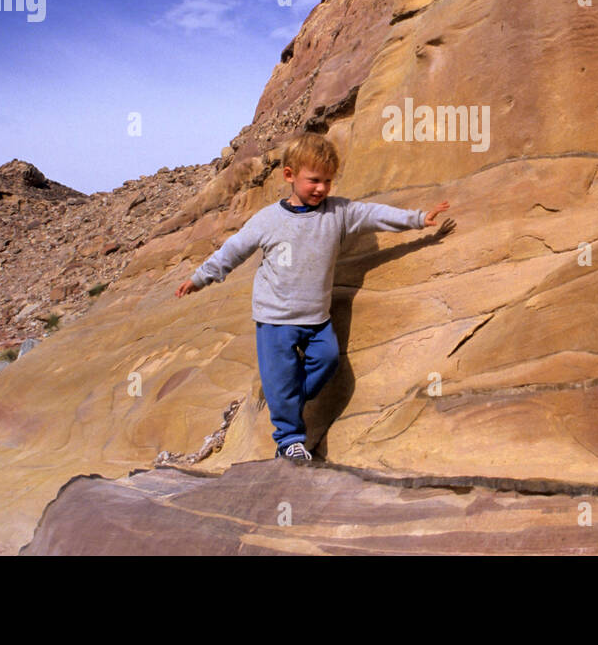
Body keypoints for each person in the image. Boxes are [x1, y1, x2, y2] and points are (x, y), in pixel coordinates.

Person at [175, 131, 452, 463]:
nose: (321, 188)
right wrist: (199, 278)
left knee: (328, 361)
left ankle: (286, 401)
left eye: (328, 181)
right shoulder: (268, 220)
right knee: (279, 376)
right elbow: (232, 251)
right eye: (314, 180)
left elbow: (373, 214)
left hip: (317, 319)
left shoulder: (337, 213)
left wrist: (417, 219)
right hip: (275, 318)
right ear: (289, 175)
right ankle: (289, 440)